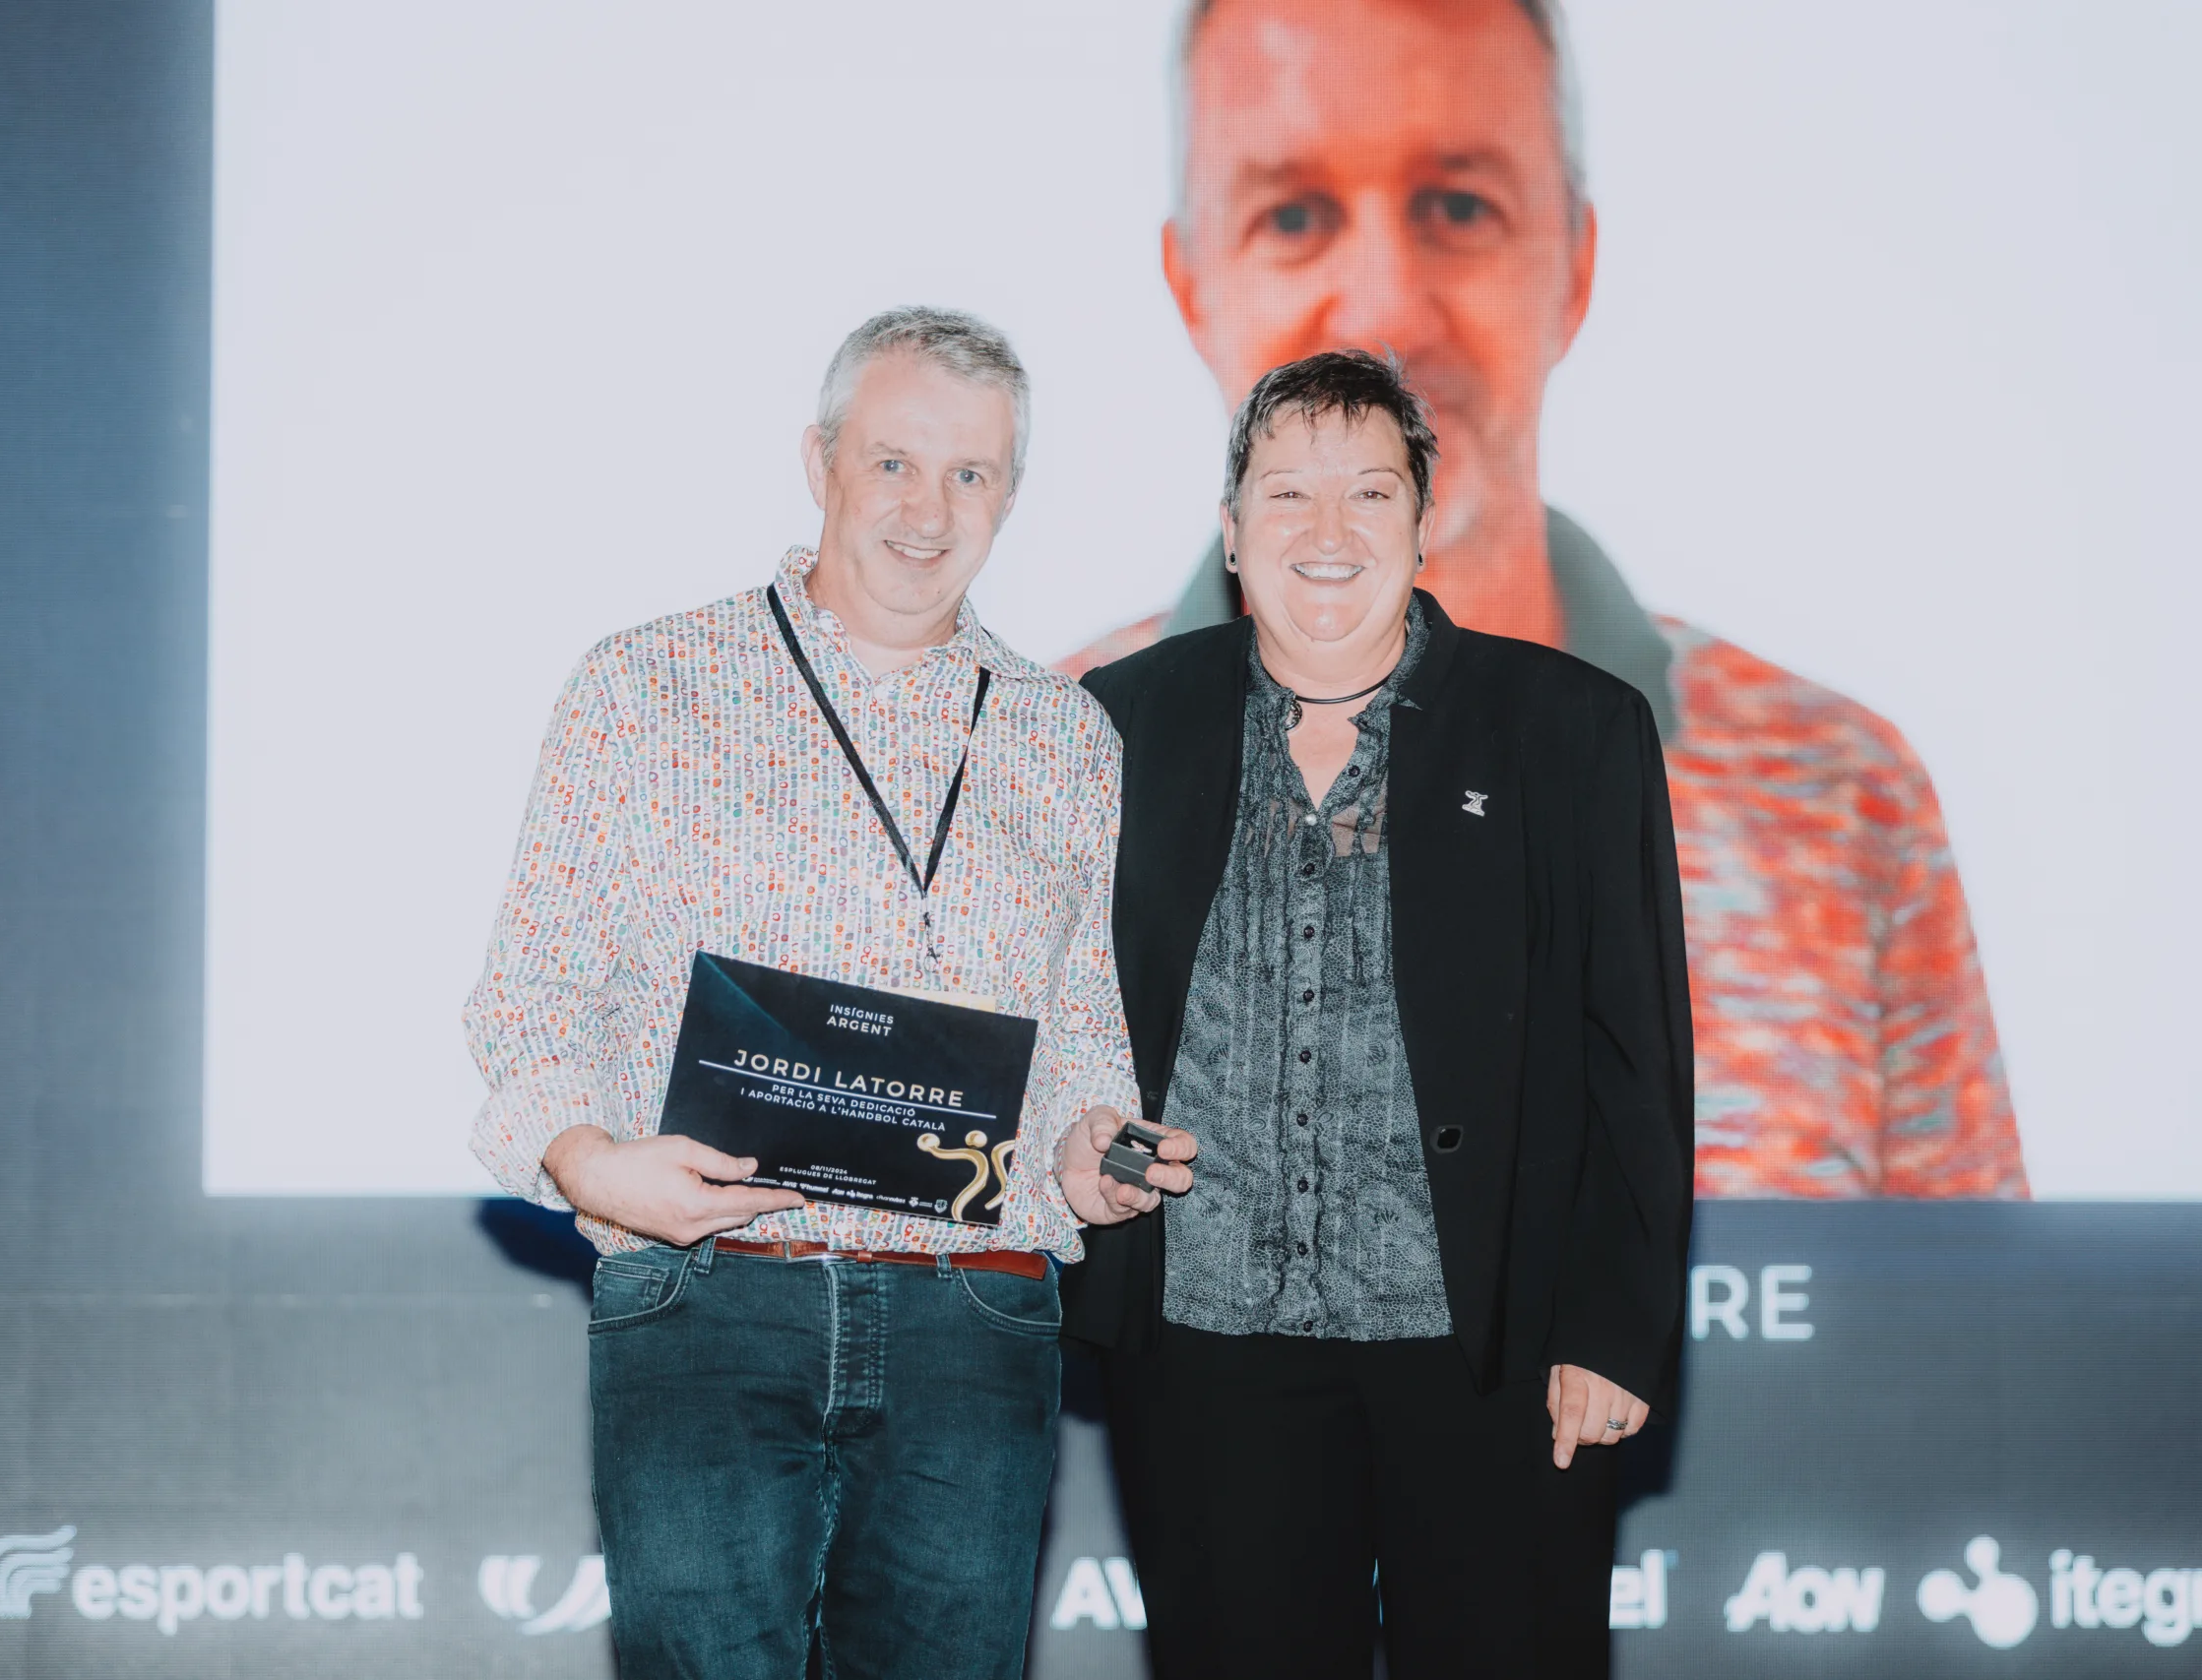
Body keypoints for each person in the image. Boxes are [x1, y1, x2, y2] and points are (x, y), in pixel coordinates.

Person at [1065, 0, 2026, 1199]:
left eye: (1458, 207)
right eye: (1294, 216)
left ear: (1573, 263)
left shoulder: (1842, 801)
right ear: (1192, 285)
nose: (1383, 313)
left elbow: (1973, 1323)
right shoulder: (1011, 777)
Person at [463, 306, 1197, 1679]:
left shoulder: (1066, 736)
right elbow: (530, 995)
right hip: (706, 1293)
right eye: (893, 463)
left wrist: (1086, 1150)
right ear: (821, 462)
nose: (929, 510)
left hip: (973, 1315)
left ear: (1011, 496)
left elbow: (1086, 1036)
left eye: (971, 473)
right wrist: (594, 1165)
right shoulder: (646, 685)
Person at [1069, 349, 1692, 1677]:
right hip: (1204, 1346)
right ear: (1232, 530)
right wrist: (1086, 1143)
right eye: (1287, 492)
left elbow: (1634, 1058)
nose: (1329, 529)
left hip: (1491, 1349)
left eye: (1368, 491)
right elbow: (1063, 1016)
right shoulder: (1113, 726)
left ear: (1421, 525)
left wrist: (1610, 1327)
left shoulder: (1571, 730)